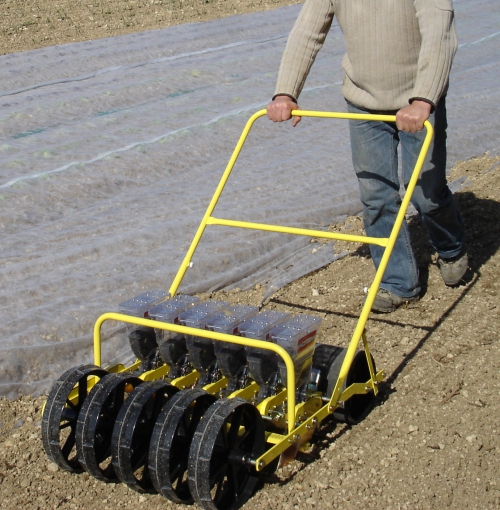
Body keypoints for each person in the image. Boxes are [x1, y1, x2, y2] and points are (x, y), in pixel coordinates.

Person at [266, 0, 467, 313]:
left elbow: (439, 35)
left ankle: (451, 248)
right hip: (363, 102)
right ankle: (397, 282)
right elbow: (307, 32)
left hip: (418, 101)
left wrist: (424, 98)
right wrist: (286, 92)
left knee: (426, 194)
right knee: (376, 196)